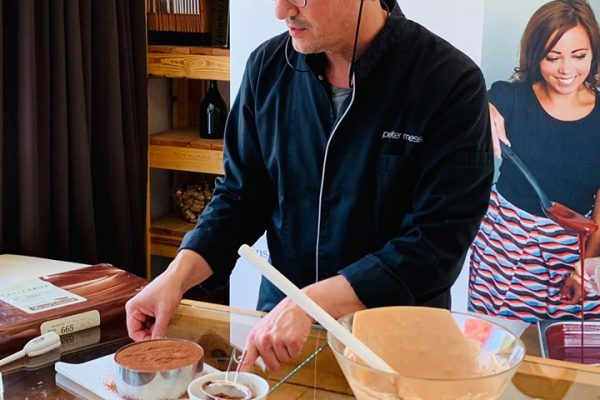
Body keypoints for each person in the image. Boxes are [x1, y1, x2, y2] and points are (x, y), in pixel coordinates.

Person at [127, 0, 493, 371]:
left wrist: (311, 303)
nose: (281, 10)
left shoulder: (448, 82)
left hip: (393, 348)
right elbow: (239, 198)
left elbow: (436, 242)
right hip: (280, 338)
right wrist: (175, 277)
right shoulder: (267, 68)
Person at [468, 0, 600, 323]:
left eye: (579, 56)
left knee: (564, 345)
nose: (566, 70)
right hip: (504, 242)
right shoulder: (512, 97)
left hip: (573, 245)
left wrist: (586, 266)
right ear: (535, 54)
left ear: (593, 53)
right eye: (552, 57)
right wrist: (483, 110)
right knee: (496, 338)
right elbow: (481, 105)